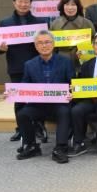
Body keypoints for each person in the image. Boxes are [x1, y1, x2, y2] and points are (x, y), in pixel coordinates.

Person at [14, 30, 74, 163]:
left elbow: (72, 83)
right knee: (23, 114)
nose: (44, 45)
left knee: (64, 112)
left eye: (47, 42)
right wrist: (13, 93)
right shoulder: (29, 64)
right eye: (40, 43)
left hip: (59, 103)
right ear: (35, 46)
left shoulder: (66, 62)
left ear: (53, 44)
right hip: (38, 105)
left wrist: (72, 93)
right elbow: (24, 86)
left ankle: (60, 148)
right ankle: (31, 146)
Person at [0, 0, 47, 142]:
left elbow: (47, 43)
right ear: (14, 3)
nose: (23, 4)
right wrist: (1, 48)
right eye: (20, 1)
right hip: (16, 66)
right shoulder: (5, 23)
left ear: (30, 4)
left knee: (39, 98)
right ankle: (21, 129)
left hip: (38, 66)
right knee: (19, 100)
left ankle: (38, 127)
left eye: (26, 2)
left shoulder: (40, 22)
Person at [49, 0, 95, 69]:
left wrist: (85, 52)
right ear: (62, 6)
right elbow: (51, 46)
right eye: (67, 4)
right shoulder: (55, 24)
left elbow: (94, 42)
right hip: (60, 63)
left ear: (78, 7)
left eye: (73, 5)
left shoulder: (87, 23)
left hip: (83, 62)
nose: (70, 8)